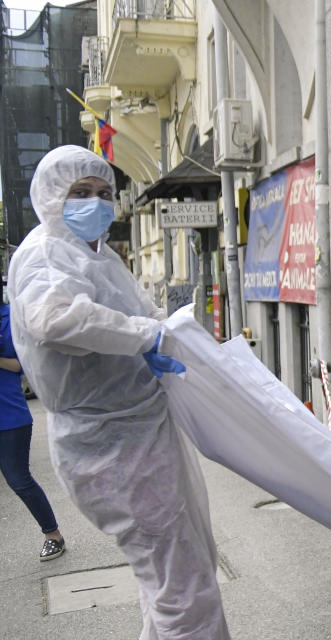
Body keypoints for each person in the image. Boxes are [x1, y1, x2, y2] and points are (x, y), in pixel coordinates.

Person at [7, 145, 230, 639]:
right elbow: (56, 317)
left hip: (139, 433)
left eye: (105, 193)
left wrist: (168, 332)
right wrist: (145, 336)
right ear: (48, 198)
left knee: (176, 574)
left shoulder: (100, 256)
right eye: (80, 193)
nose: (96, 203)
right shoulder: (45, 253)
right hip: (110, 447)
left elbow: (141, 311)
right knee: (183, 584)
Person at [1, 291, 66, 561]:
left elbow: (21, 364)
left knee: (19, 480)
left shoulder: (10, 320)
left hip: (9, 418)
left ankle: (54, 536)